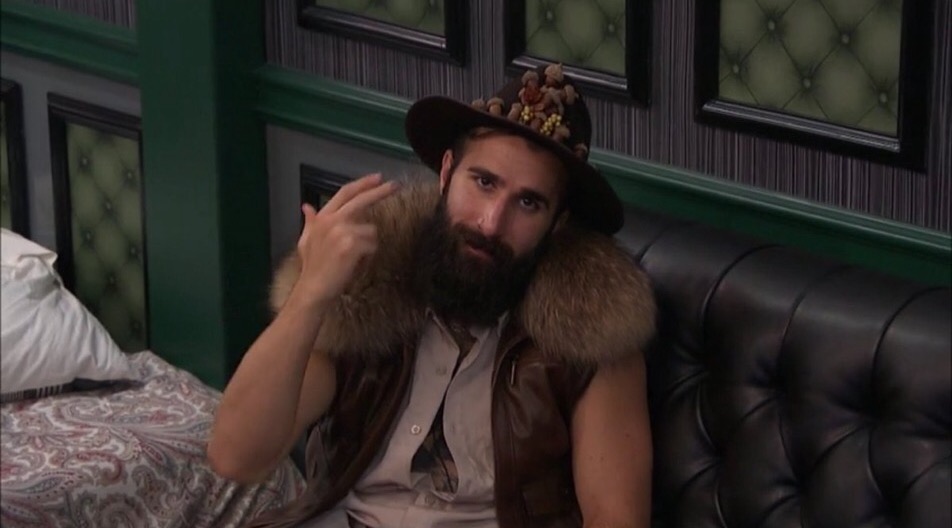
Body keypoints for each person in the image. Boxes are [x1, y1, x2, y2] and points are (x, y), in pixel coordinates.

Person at [208, 63, 657, 528]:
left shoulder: (593, 336)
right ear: (446, 173)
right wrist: (310, 295)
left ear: (558, 223)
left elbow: (616, 521)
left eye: (528, 203)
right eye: (483, 182)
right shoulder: (368, 287)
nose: (490, 223)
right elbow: (235, 456)